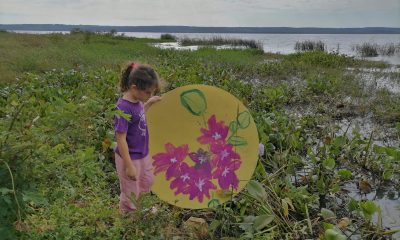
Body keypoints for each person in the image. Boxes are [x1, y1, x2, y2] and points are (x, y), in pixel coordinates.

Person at [114, 61, 162, 213]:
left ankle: (143, 208)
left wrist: (148, 103)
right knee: (130, 190)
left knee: (146, 181)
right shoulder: (123, 107)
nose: (150, 95)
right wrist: (129, 165)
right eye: (148, 93)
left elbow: (139, 117)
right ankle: (128, 216)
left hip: (142, 153)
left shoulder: (138, 101)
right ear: (134, 88)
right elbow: (121, 138)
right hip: (129, 157)